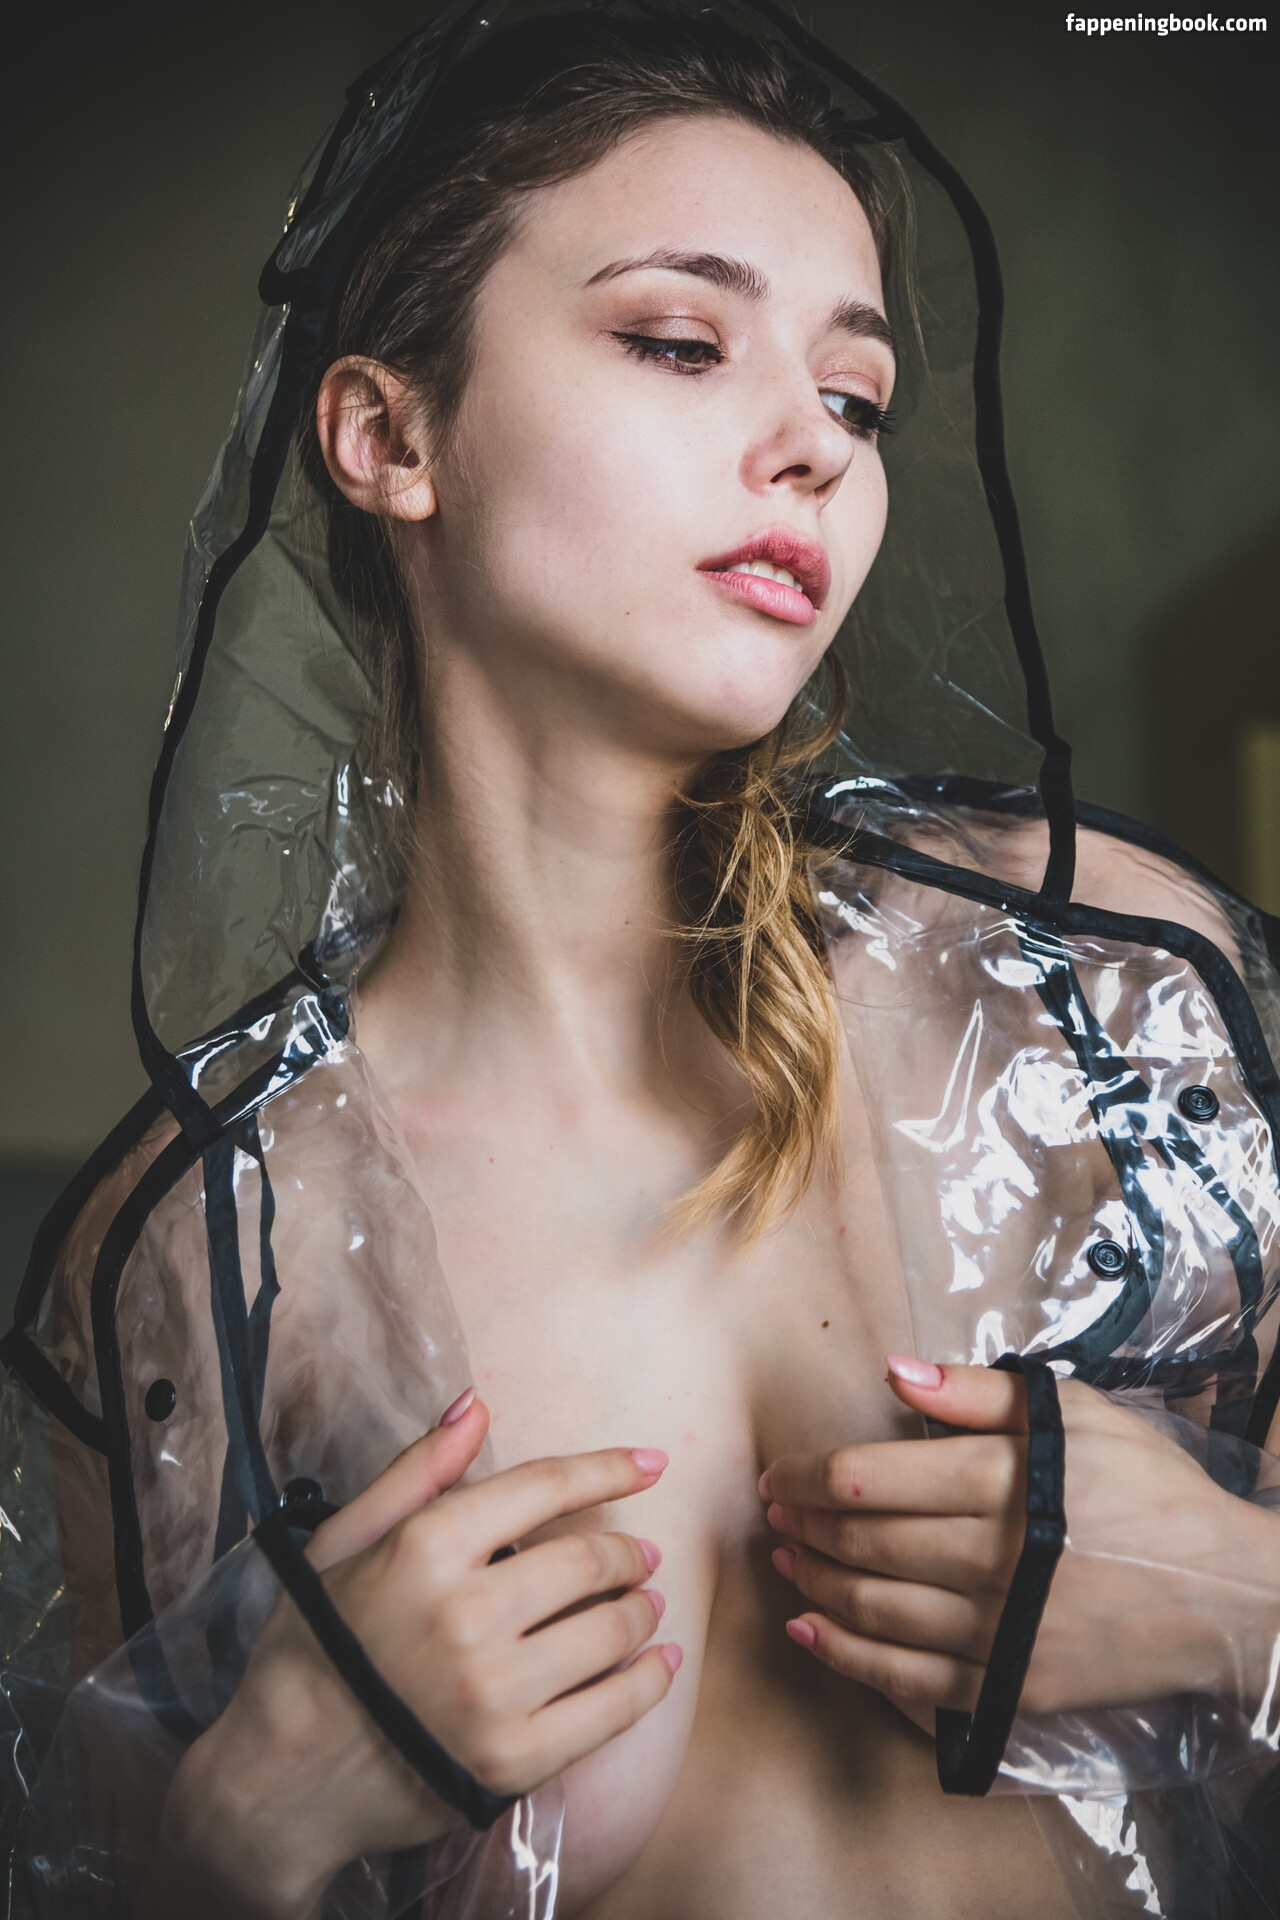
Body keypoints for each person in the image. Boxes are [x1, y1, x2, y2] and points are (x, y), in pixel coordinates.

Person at [2, 4, 1279, 1917]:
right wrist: (245, 1821)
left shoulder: (1097, 1003)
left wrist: (1236, 1590)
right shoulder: (204, 1254)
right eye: (683, 343)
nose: (815, 449)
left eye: (857, 400)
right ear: (390, 436)